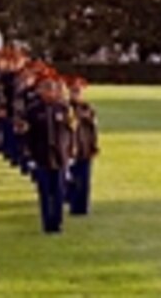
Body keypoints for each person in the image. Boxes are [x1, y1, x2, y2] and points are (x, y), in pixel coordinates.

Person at [20, 74, 74, 234]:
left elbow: (71, 132)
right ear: (40, 90)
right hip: (41, 155)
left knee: (58, 191)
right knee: (44, 192)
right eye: (46, 88)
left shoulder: (64, 109)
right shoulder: (33, 110)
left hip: (60, 155)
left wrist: (70, 152)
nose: (50, 92)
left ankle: (57, 222)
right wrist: (28, 156)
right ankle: (46, 222)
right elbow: (27, 135)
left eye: (53, 88)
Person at [67, 77, 99, 216]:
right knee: (71, 179)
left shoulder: (88, 108)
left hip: (84, 146)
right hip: (69, 149)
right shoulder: (65, 107)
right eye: (73, 91)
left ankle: (82, 207)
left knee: (84, 179)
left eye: (78, 91)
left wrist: (93, 145)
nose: (76, 94)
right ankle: (72, 202)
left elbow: (93, 129)